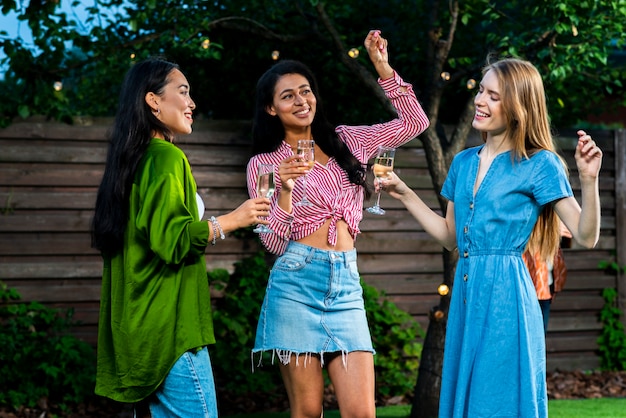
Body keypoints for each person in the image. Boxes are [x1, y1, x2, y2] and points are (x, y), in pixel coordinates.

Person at [379, 57, 602, 417]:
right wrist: (404, 193)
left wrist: (589, 181)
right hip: (467, 296)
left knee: (498, 401)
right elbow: (450, 237)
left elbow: (585, 235)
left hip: (508, 301)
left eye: (493, 95)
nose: (480, 101)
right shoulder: (463, 163)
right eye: (481, 90)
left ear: (517, 107)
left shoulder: (539, 163)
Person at [246, 30, 429, 418]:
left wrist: (382, 68)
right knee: (308, 412)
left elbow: (416, 122)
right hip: (295, 283)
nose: (301, 100)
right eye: (288, 95)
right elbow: (274, 244)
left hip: (345, 283)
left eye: (305, 90)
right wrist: (285, 189)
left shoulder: (349, 141)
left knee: (361, 412)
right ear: (270, 109)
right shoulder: (263, 165)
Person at [91, 57, 270, 417]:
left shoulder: (133, 162)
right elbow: (171, 241)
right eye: (183, 92)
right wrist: (232, 220)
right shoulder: (166, 158)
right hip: (170, 329)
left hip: (139, 330)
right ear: (153, 100)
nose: (192, 103)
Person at [523, 221, 572, 334]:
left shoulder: (553, 218)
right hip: (531, 283)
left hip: (547, 284)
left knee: (541, 331)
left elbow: (567, 235)